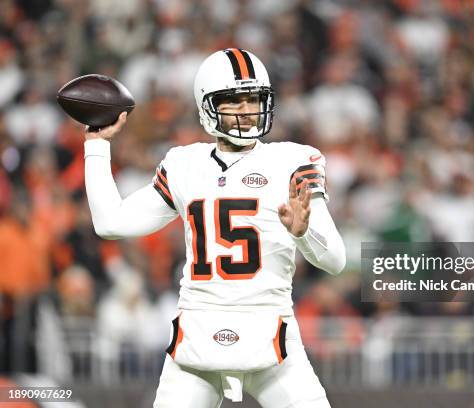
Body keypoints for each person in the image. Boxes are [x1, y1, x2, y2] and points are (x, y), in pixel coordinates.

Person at [83, 48, 346, 407]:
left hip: (271, 335)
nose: (246, 109)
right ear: (207, 106)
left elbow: (335, 261)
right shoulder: (183, 164)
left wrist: (304, 233)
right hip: (197, 338)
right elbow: (110, 222)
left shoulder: (292, 161)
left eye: (252, 99)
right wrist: (96, 147)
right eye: (232, 100)